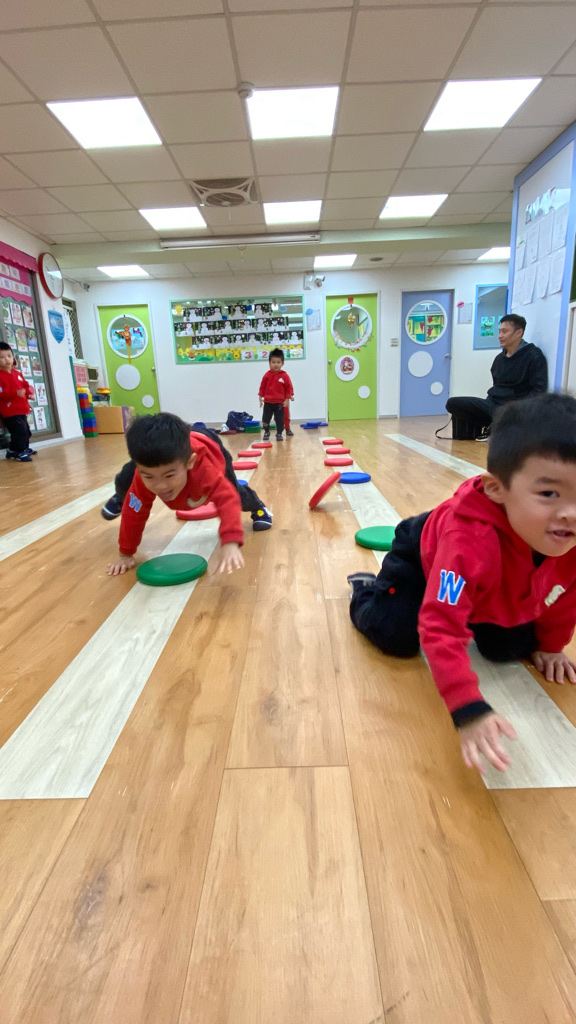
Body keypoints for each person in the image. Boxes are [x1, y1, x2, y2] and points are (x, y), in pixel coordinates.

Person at [348, 393, 576, 775]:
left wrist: (552, 647)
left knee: (510, 649)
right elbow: (440, 624)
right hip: (421, 558)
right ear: (496, 488)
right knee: (397, 634)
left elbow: (564, 595)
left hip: (489, 580)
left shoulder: (565, 535)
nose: (570, 514)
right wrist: (467, 706)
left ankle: (479, 606)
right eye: (549, 493)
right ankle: (365, 590)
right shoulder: (468, 541)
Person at [106, 413, 273, 576]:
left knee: (235, 492)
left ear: (190, 463)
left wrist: (230, 541)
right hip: (172, 450)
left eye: (169, 476)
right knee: (127, 484)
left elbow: (227, 499)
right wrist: (125, 554)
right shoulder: (142, 475)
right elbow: (134, 514)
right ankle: (121, 497)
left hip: (209, 445)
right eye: (149, 477)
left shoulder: (205, 471)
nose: (160, 486)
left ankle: (258, 506)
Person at [445, 314, 547, 440]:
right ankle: (487, 429)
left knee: (505, 414)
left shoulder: (533, 356)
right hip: (493, 405)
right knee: (453, 403)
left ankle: (498, 427)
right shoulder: (499, 358)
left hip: (513, 408)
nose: (500, 336)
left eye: (504, 331)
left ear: (519, 332)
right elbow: (497, 385)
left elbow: (539, 390)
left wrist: (522, 408)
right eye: (499, 331)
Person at [0, 341, 37, 462]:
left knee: (26, 431)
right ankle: (20, 452)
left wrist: (30, 395)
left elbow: (25, 386)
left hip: (22, 409)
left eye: (9, 356)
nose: (7, 359)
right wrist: (14, 394)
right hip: (10, 411)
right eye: (2, 357)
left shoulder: (18, 374)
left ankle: (14, 450)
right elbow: (1, 394)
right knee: (20, 432)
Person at [258, 348, 293, 441]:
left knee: (280, 420)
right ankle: (266, 432)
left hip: (279, 404)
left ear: (282, 363)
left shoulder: (285, 376)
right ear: (269, 363)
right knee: (265, 419)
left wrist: (287, 399)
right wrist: (260, 397)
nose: (276, 364)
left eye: (278, 362)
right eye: (273, 362)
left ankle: (279, 433)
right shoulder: (267, 375)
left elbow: (288, 388)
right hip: (268, 403)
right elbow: (262, 386)